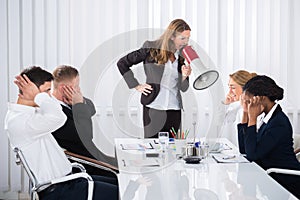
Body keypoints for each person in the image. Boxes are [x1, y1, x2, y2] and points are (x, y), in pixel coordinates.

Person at [5, 66, 118, 199]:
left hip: (71, 180)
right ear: (33, 92)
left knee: (121, 184)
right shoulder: (21, 122)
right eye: (47, 91)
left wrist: (42, 95)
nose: (49, 96)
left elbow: (65, 110)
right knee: (124, 192)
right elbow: (59, 117)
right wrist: (38, 96)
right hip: (61, 188)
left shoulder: (29, 115)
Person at [117, 19, 192, 138]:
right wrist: (136, 85)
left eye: (188, 38)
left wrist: (184, 76)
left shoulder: (183, 55)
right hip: (154, 108)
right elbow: (122, 63)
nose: (186, 42)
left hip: (174, 109)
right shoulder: (151, 48)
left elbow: (184, 88)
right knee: (152, 149)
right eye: (182, 38)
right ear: (172, 37)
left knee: (173, 149)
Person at [238, 75, 300, 198]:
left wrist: (252, 117)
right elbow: (244, 150)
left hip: (284, 182)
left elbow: (252, 155)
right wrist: (245, 113)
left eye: (248, 102)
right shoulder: (269, 118)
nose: (247, 105)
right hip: (268, 176)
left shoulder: (278, 123)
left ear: (261, 99)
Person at [51, 65, 118, 170]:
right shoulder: (56, 113)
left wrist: (80, 102)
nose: (79, 89)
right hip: (88, 164)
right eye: (76, 86)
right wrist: (78, 104)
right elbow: (85, 135)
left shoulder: (69, 102)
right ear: (63, 88)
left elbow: (92, 108)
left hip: (96, 157)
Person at [219, 70, 257, 146]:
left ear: (245, 88)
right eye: (229, 87)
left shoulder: (255, 107)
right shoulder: (238, 107)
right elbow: (222, 120)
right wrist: (226, 104)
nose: (229, 92)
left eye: (233, 88)